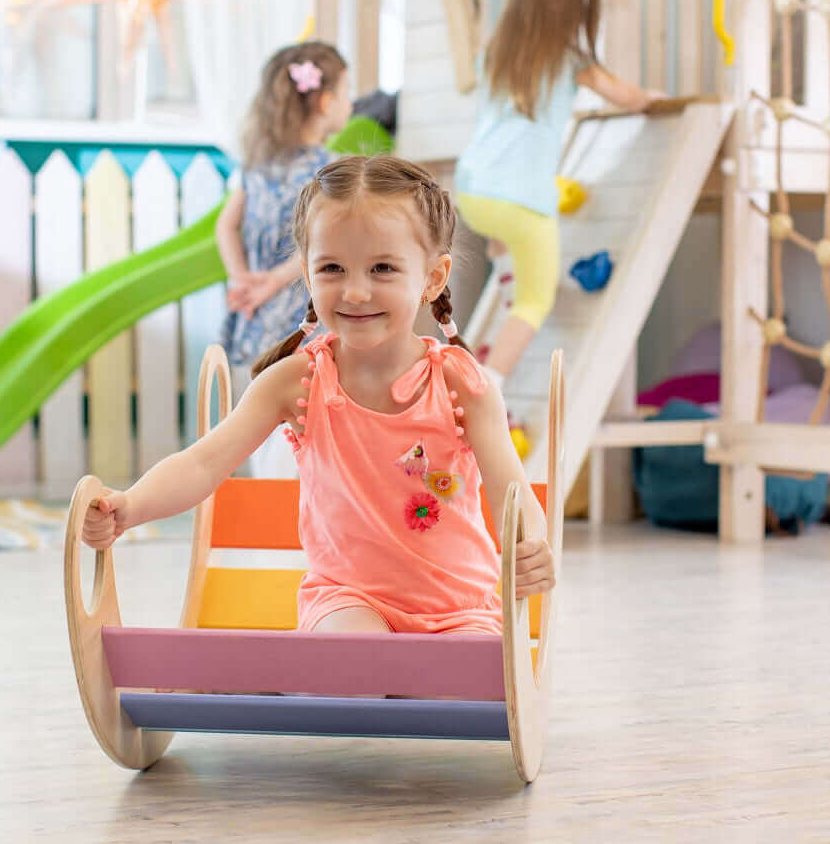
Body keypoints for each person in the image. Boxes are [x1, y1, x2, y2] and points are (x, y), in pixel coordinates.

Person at [88, 156, 555, 634]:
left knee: (463, 673)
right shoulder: (296, 381)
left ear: (433, 279)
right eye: (332, 268)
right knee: (354, 654)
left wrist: (531, 546)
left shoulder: (462, 385)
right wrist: (130, 506)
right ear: (308, 276)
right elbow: (203, 463)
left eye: (382, 268)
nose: (355, 292)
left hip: (462, 607)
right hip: (347, 599)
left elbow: (512, 491)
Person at [454, 0, 662, 388]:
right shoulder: (570, 62)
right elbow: (627, 97)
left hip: (473, 190)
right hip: (521, 199)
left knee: (506, 246)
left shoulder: (491, 57)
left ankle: (505, 283)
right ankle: (489, 385)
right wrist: (650, 98)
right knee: (535, 300)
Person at [216, 41, 350, 477]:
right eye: (347, 92)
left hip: (257, 314)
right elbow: (326, 242)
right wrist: (273, 280)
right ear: (326, 101)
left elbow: (226, 227)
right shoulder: (330, 173)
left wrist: (242, 280)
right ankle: (289, 503)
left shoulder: (257, 166)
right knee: (301, 419)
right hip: (302, 316)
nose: (350, 103)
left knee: (260, 417)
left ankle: (270, 498)